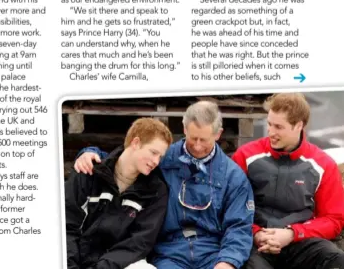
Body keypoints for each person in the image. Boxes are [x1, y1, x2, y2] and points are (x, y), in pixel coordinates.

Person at [74, 101, 255, 269]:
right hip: (168, 252)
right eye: (193, 138)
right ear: (184, 128)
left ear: (218, 134)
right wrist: (90, 152)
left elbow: (239, 226)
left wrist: (228, 262)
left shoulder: (233, 176)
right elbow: (127, 159)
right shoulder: (162, 157)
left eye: (204, 140)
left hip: (214, 252)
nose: (198, 146)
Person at [232, 93, 344, 269]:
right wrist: (256, 233)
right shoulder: (245, 156)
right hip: (257, 242)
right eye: (269, 124)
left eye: (278, 127)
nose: (271, 132)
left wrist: (293, 234)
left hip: (301, 241)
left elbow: (333, 219)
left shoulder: (324, 165)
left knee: (336, 259)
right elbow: (230, 207)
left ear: (299, 125)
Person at [65, 118, 172, 269]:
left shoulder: (156, 191)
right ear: (136, 143)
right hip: (76, 259)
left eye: (160, 157)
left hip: (117, 264)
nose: (156, 161)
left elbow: (139, 243)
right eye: (153, 152)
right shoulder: (89, 172)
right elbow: (67, 226)